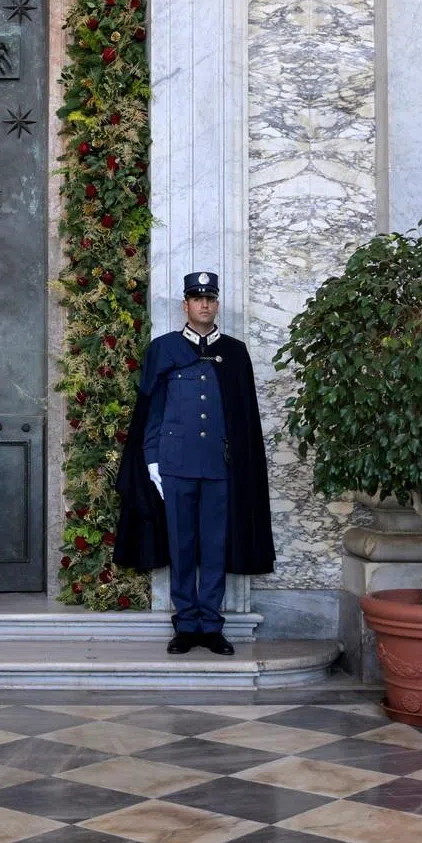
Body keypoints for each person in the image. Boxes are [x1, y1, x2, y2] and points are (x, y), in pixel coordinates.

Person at [114, 272, 274, 655]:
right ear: (185, 305)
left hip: (219, 467)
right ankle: (186, 624)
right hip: (175, 465)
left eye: (210, 299)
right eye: (197, 298)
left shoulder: (234, 352)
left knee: (215, 545)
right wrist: (151, 460)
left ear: (216, 304)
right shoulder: (164, 349)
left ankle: (211, 624)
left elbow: (244, 417)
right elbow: (151, 410)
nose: (204, 304)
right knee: (182, 545)